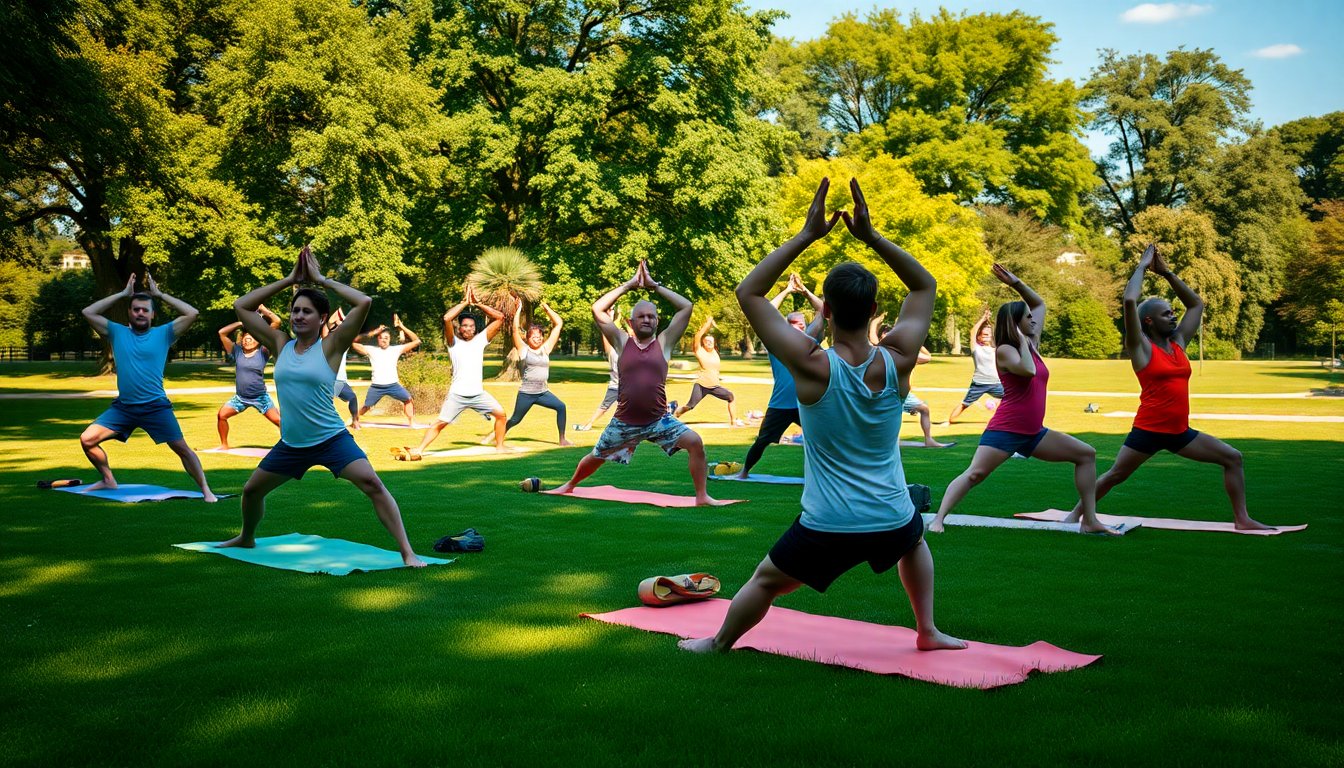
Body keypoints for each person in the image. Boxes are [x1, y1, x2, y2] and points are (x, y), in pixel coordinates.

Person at [680, 177, 963, 654]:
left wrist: (807, 234)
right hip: (891, 512)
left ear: (825, 310)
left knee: (766, 580)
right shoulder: (899, 361)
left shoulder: (811, 366)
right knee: (913, 543)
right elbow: (924, 284)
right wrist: (871, 236)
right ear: (874, 309)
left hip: (829, 522)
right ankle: (927, 631)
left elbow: (749, 292)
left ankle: (718, 644)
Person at [218, 246, 424, 566]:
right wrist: (289, 280)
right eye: (295, 310)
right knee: (251, 491)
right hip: (292, 444)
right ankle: (247, 537)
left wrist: (321, 280)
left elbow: (364, 302)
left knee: (373, 484)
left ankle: (407, 552)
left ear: (321, 318)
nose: (298, 316)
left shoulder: (332, 346)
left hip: (331, 440)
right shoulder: (278, 343)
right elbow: (241, 306)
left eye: (306, 311)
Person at [1062, 245, 1272, 530]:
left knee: (1233, 458)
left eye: (1173, 312)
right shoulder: (1141, 348)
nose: (1173, 316)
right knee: (1114, 476)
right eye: (1166, 314)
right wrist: (1141, 267)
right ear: (1148, 320)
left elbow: (1196, 304)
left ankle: (1242, 519)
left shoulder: (1178, 343)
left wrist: (1167, 272)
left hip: (1179, 432)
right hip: (1148, 431)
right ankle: (1076, 514)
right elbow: (1128, 301)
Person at [928, 264, 1117, 535]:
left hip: (1033, 432)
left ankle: (1088, 519)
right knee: (974, 474)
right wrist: (1019, 339)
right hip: (1006, 429)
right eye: (1027, 318)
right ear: (1016, 323)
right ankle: (938, 519)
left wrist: (1015, 282)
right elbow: (1027, 371)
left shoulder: (1031, 344)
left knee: (1086, 454)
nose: (1034, 320)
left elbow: (1038, 302)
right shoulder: (1005, 350)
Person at [552, 260, 727, 506]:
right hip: (624, 422)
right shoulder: (622, 342)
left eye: (652, 316)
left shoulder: (664, 343)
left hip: (659, 420)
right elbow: (598, 309)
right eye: (641, 316)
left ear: (657, 321)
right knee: (597, 455)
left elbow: (686, 307)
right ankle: (570, 485)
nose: (647, 319)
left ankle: (702, 497)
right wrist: (628, 285)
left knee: (695, 442)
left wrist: (655, 287)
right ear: (632, 322)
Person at [78, 274, 217, 501]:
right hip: (123, 408)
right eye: (135, 309)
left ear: (153, 314)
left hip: (155, 407)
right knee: (88, 439)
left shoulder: (164, 333)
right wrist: (122, 295)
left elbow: (192, 313)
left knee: (182, 448)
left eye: (145, 310)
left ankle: (205, 490)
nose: (140, 313)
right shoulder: (116, 332)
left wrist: (160, 295)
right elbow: (88, 312)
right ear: (129, 313)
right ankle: (107, 479)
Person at [735, 272, 825, 479]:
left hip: (807, 402)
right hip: (781, 404)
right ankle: (744, 472)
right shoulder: (777, 344)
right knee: (763, 440)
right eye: (796, 325)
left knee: (824, 439)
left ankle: (828, 476)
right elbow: (764, 311)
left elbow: (824, 311)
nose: (801, 329)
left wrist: (804, 291)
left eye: (803, 325)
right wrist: (786, 291)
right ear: (787, 327)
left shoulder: (811, 340)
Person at [407, 287, 508, 456]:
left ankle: (499, 447)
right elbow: (447, 318)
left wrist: (478, 303)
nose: (467, 328)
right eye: (464, 326)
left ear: (475, 329)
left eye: (471, 326)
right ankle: (420, 449)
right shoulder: (453, 343)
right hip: (457, 395)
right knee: (440, 424)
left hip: (478, 394)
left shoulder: (480, 341)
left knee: (501, 415)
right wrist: (464, 303)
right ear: (459, 329)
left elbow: (500, 317)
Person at [493, 300, 573, 445]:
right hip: (527, 394)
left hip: (543, 392)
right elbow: (515, 331)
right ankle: (496, 435)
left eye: (539, 336)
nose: (538, 339)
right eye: (534, 337)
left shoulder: (545, 349)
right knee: (515, 420)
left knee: (561, 407)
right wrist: (518, 310)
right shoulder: (524, 350)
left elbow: (559, 324)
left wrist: (547, 309)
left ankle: (562, 440)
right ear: (528, 338)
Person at [869, 314, 949, 448]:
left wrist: (916, 343)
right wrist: (874, 322)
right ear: (881, 336)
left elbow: (927, 358)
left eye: (891, 333)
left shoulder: (905, 352)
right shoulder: (880, 349)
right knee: (887, 419)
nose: (888, 336)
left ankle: (928, 440)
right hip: (887, 392)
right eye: (885, 333)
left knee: (924, 409)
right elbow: (873, 338)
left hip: (903, 393)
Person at [214, 306, 283, 450]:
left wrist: (263, 309)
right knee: (222, 415)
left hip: (260, 397)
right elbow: (222, 333)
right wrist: (241, 323)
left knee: (280, 421)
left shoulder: (264, 351)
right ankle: (224, 445)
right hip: (240, 398)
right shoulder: (237, 351)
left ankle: (288, 446)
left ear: (258, 341)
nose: (248, 342)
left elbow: (276, 322)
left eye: (251, 339)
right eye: (245, 339)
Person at [673, 316, 742, 425]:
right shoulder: (700, 351)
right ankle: (676, 414)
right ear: (703, 343)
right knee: (690, 406)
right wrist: (707, 324)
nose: (709, 343)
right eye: (706, 341)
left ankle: (733, 421)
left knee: (731, 397)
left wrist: (713, 325)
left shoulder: (714, 351)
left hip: (715, 386)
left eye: (711, 341)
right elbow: (697, 336)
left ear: (714, 343)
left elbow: (719, 333)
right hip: (701, 385)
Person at [352, 314, 420, 426]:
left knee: (408, 399)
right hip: (376, 386)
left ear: (390, 339)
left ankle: (412, 423)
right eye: (380, 337)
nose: (383, 340)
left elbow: (417, 341)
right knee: (367, 406)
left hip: (393, 385)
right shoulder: (371, 350)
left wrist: (401, 327)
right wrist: (373, 332)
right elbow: (353, 342)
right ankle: (354, 419)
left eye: (386, 338)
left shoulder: (396, 349)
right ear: (377, 339)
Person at [945, 309, 1003, 424]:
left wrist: (990, 321)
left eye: (990, 335)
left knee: (1011, 398)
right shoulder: (976, 349)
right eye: (985, 334)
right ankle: (949, 421)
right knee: (964, 405)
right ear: (979, 337)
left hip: (996, 383)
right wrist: (983, 318)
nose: (988, 336)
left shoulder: (996, 350)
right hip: (979, 384)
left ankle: (999, 418)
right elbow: (973, 331)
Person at [574, 311, 627, 432]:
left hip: (627, 387)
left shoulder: (630, 352)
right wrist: (607, 319)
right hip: (616, 386)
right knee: (604, 407)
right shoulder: (612, 351)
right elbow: (606, 336)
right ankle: (588, 424)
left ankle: (666, 411)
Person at [326, 308, 361, 429]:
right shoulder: (326, 342)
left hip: (339, 381)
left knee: (352, 397)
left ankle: (355, 421)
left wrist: (340, 318)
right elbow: (329, 325)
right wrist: (337, 319)